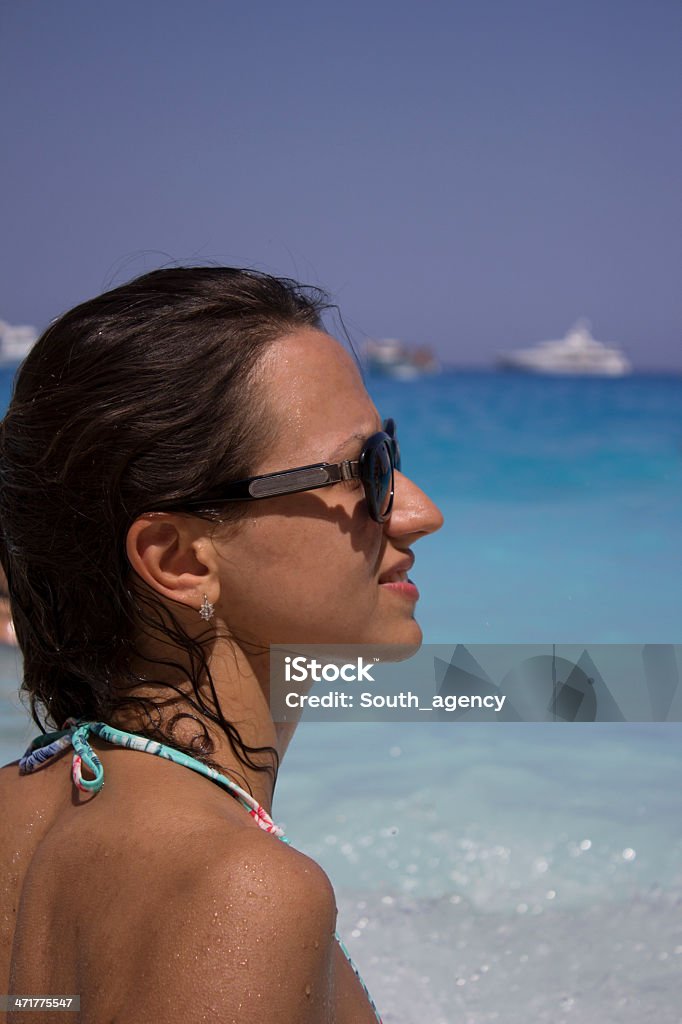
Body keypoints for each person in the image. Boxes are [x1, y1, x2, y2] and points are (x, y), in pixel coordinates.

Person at [0, 267, 443, 1023]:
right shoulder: (243, 892)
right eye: (366, 471)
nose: (418, 513)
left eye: (391, 455)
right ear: (179, 558)